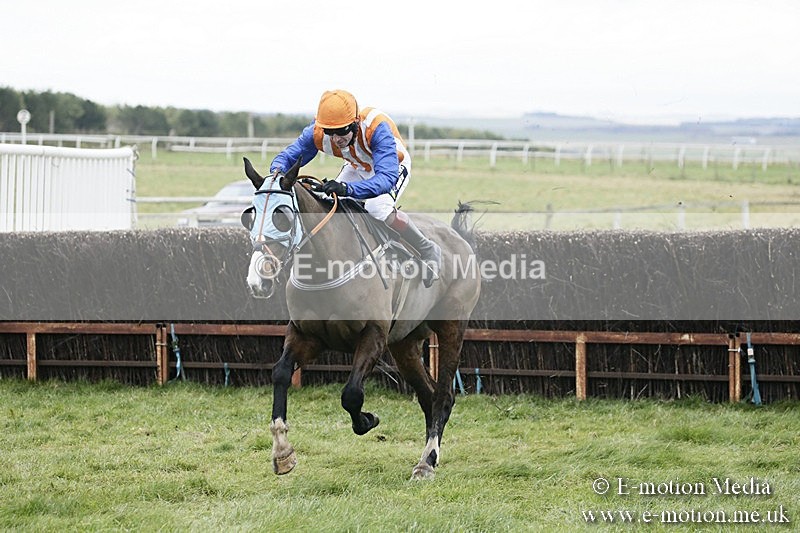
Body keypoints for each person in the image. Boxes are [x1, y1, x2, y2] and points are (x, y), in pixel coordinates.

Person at [269, 89, 441, 286]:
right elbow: (287, 157)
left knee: (377, 208)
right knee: (334, 204)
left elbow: (385, 179)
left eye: (342, 131)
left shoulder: (376, 128)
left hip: (390, 167)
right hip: (357, 165)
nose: (336, 139)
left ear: (355, 123)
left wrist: (348, 189)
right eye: (329, 132)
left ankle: (426, 248)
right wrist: (277, 174)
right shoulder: (316, 132)